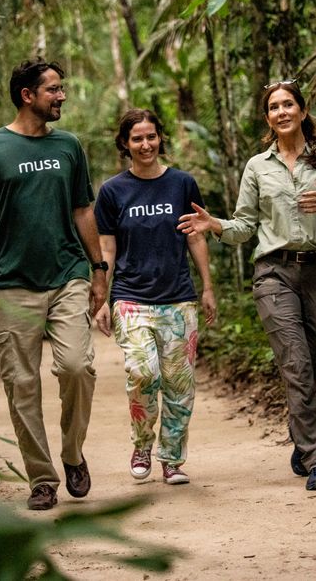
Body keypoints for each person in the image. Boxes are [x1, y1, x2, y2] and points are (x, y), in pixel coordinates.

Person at [177, 80, 316, 491]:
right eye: (274, 107)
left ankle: (303, 435)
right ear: (268, 117)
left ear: (302, 110)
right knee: (296, 362)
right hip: (274, 273)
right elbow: (243, 226)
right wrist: (215, 224)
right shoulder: (258, 166)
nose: (282, 112)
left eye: (288, 104)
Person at [0, 58, 109, 511]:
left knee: (78, 367)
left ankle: (72, 453)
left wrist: (99, 269)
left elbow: (83, 209)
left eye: (61, 89)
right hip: (11, 281)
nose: (62, 97)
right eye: (54, 90)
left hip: (67, 275)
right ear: (28, 95)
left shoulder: (69, 146)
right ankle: (42, 478)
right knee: (22, 384)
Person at [93, 109, 217, 486]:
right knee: (142, 374)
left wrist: (207, 286)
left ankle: (172, 459)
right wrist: (100, 295)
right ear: (125, 144)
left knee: (180, 385)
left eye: (151, 137)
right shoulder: (113, 191)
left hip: (178, 297)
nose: (145, 145)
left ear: (160, 138)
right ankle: (143, 444)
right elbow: (107, 248)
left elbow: (195, 235)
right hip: (130, 298)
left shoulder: (182, 184)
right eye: (137, 139)